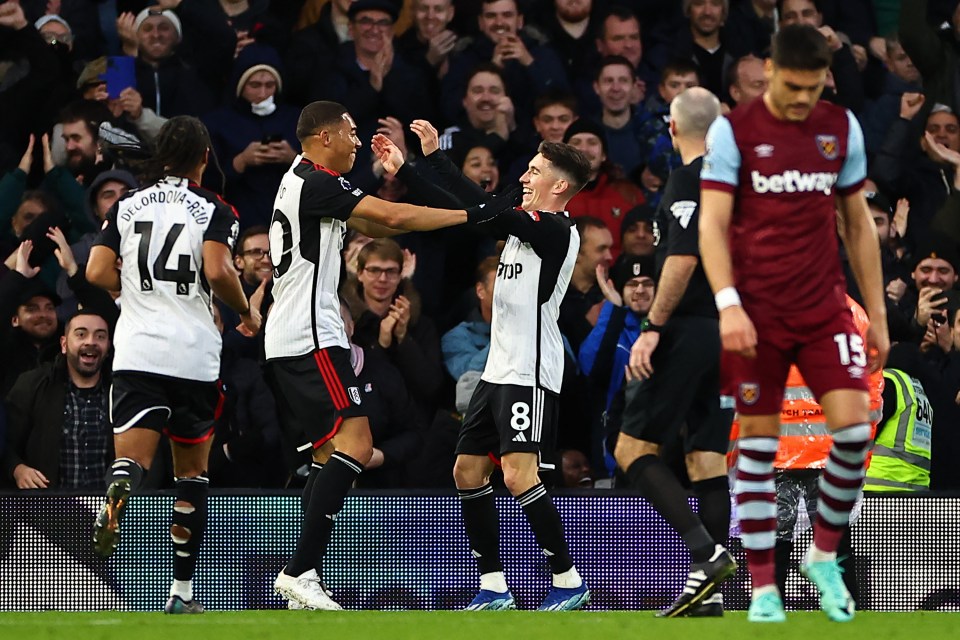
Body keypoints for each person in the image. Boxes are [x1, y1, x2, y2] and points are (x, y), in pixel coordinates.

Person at [263, 101, 514, 611]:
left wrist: (412, 190)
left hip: (292, 335)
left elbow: (381, 227)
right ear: (325, 136)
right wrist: (471, 213)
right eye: (352, 133)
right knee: (356, 443)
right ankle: (298, 572)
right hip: (312, 337)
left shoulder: (300, 181)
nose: (358, 142)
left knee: (325, 455)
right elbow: (393, 215)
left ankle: (299, 579)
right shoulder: (316, 180)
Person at [699, 25, 890, 623]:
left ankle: (823, 556)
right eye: (794, 86)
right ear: (773, 71)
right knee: (756, 447)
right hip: (757, 307)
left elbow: (857, 223)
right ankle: (761, 589)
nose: (804, 98)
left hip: (824, 304)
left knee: (855, 434)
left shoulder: (841, 128)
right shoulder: (734, 132)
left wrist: (877, 313)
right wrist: (727, 302)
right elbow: (712, 224)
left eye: (815, 87)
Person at [379, 118, 593, 611]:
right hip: (499, 369)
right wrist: (411, 168)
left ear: (559, 186)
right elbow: (474, 209)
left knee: (519, 476)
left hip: (530, 372)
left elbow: (480, 209)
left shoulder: (556, 230)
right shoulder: (523, 228)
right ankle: (494, 587)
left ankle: (567, 580)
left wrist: (428, 161)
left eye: (535, 170)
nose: (524, 176)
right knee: (467, 471)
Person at [85, 115, 263, 614]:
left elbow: (96, 269)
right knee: (191, 474)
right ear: (206, 158)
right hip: (193, 356)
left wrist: (129, 292)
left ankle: (119, 487)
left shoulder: (126, 203)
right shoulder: (214, 208)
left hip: (138, 351)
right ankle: (181, 593)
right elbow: (217, 269)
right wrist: (247, 312)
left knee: (134, 461)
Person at [615, 87, 735, 618]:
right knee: (704, 459)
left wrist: (652, 327)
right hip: (726, 330)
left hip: (685, 328)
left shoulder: (691, 178)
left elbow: (682, 260)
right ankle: (708, 596)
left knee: (630, 451)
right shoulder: (735, 185)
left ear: (671, 128)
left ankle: (706, 555)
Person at [2, 310, 111, 490]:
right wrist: (17, 469)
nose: (91, 341)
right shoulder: (32, 385)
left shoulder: (122, 393)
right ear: (64, 344)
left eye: (100, 336)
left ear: (108, 346)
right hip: (50, 508)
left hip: (110, 511)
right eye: (81, 334)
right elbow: (6, 443)